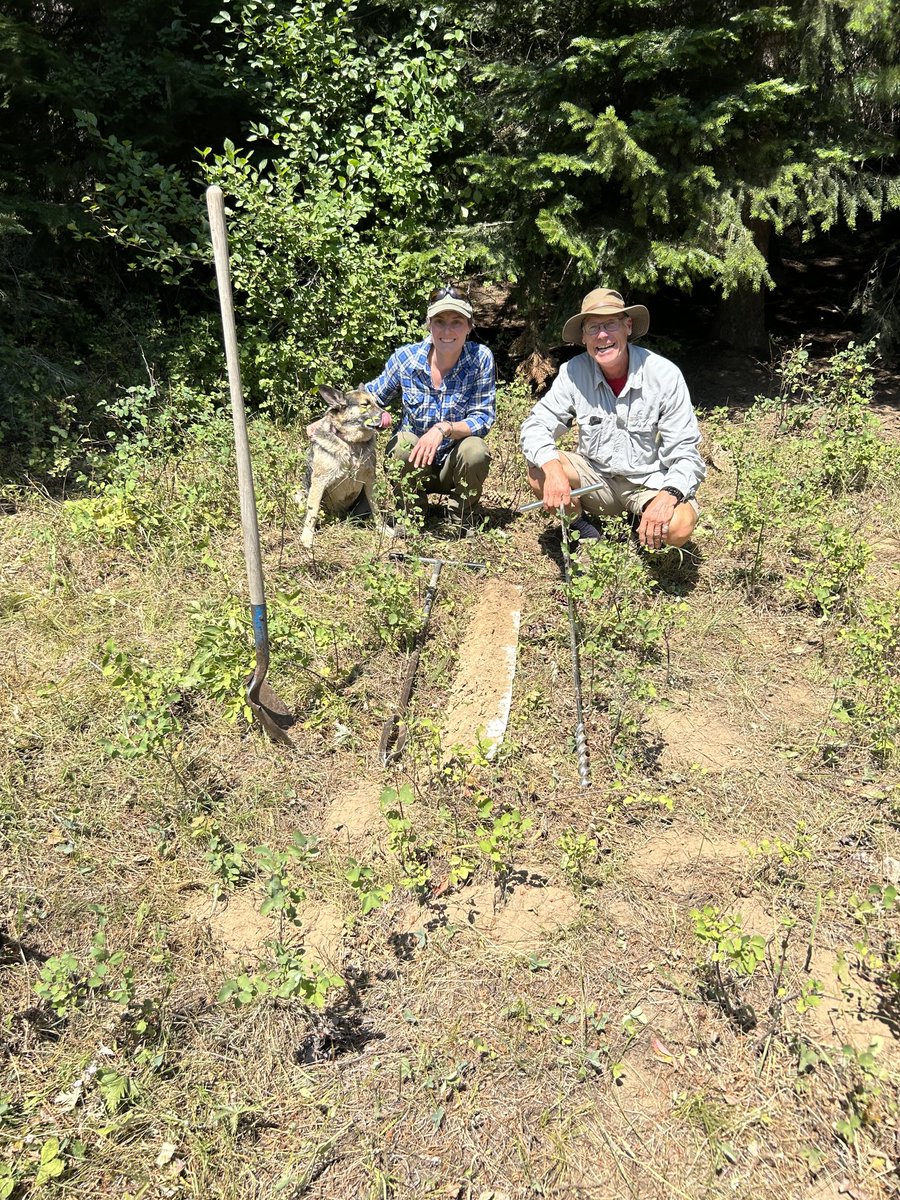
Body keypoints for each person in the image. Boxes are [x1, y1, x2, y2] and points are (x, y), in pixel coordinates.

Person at [520, 287, 705, 550]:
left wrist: (668, 496)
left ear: (628, 326)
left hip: (648, 483)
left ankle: (642, 521)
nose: (603, 335)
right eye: (593, 327)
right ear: (584, 337)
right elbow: (536, 425)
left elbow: (686, 453)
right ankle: (583, 530)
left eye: (610, 324)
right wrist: (553, 471)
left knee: (678, 526)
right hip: (596, 481)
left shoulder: (664, 375)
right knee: (539, 469)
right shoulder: (573, 372)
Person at [363, 285, 495, 519]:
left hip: (453, 465)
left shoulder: (480, 359)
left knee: (475, 450)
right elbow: (372, 396)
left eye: (457, 321)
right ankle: (411, 515)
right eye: (439, 321)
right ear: (428, 325)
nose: (447, 330)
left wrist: (444, 429)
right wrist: (330, 418)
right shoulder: (406, 359)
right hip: (414, 463)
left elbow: (483, 418)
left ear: (469, 327)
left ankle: (460, 516)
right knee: (402, 443)